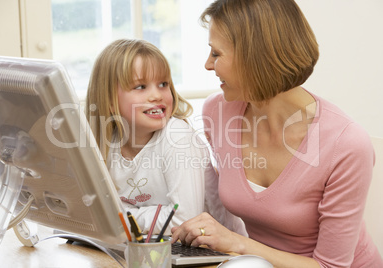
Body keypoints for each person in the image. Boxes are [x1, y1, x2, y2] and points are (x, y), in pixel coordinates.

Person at [171, 0, 383, 267]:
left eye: (216, 54)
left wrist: (238, 243)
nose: (207, 65)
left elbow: (331, 266)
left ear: (256, 58)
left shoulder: (346, 144)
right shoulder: (217, 112)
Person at [85, 39, 210, 235]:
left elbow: (185, 220)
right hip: (155, 243)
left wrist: (126, 217)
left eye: (163, 84)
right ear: (109, 100)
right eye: (141, 87)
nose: (156, 96)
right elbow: (93, 212)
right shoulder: (106, 143)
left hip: (214, 253)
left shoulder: (177, 137)